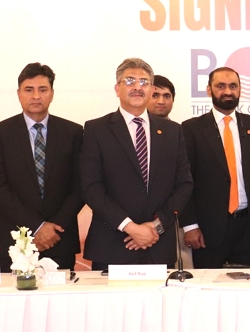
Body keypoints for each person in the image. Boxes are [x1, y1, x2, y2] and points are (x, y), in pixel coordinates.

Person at [80, 58, 193, 271]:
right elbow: (91, 187)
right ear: (117, 88)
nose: (137, 87)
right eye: (130, 81)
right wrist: (130, 227)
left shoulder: (172, 131)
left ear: (151, 89)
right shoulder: (97, 130)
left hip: (158, 244)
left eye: (144, 82)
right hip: (112, 245)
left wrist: (156, 227)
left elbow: (184, 184)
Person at [0, 63, 84, 272]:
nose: (36, 96)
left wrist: (52, 228)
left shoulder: (73, 133)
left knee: (62, 294)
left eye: (43, 90)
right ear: (19, 94)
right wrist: (38, 227)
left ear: (52, 94)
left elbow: (80, 187)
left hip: (59, 240)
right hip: (13, 240)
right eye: (29, 90)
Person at [180, 67, 250, 268]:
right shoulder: (191, 129)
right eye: (221, 86)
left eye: (233, 86)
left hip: (249, 227)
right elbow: (184, 182)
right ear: (209, 90)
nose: (228, 92)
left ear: (240, 89)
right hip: (207, 229)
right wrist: (190, 225)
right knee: (207, 284)